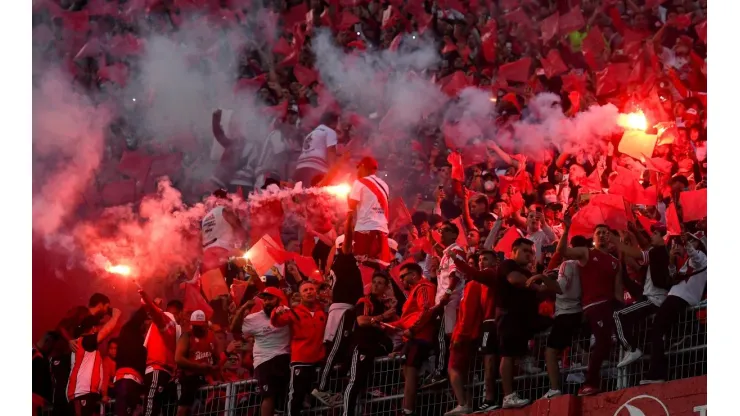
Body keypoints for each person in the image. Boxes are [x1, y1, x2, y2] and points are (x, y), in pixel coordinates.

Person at [558, 216, 623, 396]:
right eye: (599, 233)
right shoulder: (587, 253)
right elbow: (563, 251)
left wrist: (622, 310)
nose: (602, 235)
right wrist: (566, 230)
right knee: (603, 342)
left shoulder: (615, 262)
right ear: (593, 237)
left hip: (610, 306)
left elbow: (618, 292)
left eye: (606, 233)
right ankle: (588, 383)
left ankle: (616, 380)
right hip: (594, 305)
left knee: (611, 342)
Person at [493, 238, 554, 408]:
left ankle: (527, 357)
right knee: (508, 355)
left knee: (554, 324)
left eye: (531, 251)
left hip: (525, 320)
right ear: (513, 250)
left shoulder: (528, 272)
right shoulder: (508, 265)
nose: (529, 254)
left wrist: (547, 281)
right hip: (509, 318)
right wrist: (536, 284)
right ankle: (508, 396)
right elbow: (514, 280)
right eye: (525, 250)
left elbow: (542, 291)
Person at [642, 232, 707, 385]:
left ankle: (657, 372)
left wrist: (687, 245)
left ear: (699, 244)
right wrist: (671, 258)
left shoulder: (702, 257)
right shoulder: (685, 261)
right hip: (677, 297)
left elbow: (696, 257)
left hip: (679, 298)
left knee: (657, 329)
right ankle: (662, 371)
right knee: (666, 333)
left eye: (693, 241)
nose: (689, 243)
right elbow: (672, 277)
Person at [312, 234, 364, 407]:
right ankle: (322, 386)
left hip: (344, 309)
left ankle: (329, 386)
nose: (355, 248)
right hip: (343, 310)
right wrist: (350, 213)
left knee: (340, 349)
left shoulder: (342, 264)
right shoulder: (344, 258)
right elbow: (347, 243)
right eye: (352, 245)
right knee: (334, 349)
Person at [611, 224, 671, 368]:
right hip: (652, 298)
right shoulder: (659, 252)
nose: (652, 235)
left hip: (653, 299)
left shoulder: (659, 252)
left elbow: (635, 254)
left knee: (618, 315)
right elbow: (642, 247)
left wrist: (615, 240)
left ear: (662, 237)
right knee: (623, 315)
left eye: (655, 233)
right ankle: (633, 348)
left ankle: (631, 349)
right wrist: (632, 230)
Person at [542, 235, 590, 399]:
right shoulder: (584, 264)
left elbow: (560, 288)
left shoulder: (567, 264)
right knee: (580, 347)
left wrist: (542, 278)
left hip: (566, 313)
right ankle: (591, 381)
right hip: (580, 312)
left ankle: (555, 389)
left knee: (550, 352)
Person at [270, 281, 327, 416]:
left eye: (311, 289)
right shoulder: (294, 312)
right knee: (296, 396)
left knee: (320, 396)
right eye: (305, 290)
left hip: (320, 358)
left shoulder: (322, 312)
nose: (309, 292)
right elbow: (277, 322)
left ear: (316, 292)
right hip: (301, 359)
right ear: (301, 295)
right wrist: (276, 312)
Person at [232, 287, 291, 416]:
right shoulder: (254, 318)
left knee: (288, 394)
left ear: (279, 300)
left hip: (284, 359)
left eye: (270, 299)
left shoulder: (288, 313)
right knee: (268, 396)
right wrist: (243, 307)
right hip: (264, 361)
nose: (266, 302)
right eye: (264, 299)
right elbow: (234, 329)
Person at [343, 271, 396, 416]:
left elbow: (387, 326)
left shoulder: (383, 304)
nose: (376, 285)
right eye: (374, 282)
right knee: (354, 382)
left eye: (380, 283)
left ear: (386, 287)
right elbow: (362, 321)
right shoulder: (365, 300)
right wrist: (381, 317)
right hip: (361, 346)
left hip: (373, 348)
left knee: (365, 384)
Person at [387, 262, 437, 416]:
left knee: (409, 372)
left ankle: (407, 411)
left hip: (419, 337)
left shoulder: (423, 288)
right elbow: (406, 319)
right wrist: (382, 323)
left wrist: (413, 329)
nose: (401, 280)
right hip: (411, 338)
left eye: (403, 276)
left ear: (414, 275)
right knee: (406, 371)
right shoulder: (415, 291)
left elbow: (426, 310)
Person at [424, 221, 466, 389]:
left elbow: (455, 274)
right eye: (440, 230)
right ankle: (445, 371)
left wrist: (446, 296)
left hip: (449, 303)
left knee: (442, 337)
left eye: (445, 231)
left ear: (455, 235)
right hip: (446, 303)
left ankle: (441, 372)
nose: (441, 233)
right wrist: (431, 240)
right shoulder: (448, 253)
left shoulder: (456, 251)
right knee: (442, 337)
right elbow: (443, 253)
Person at [67, 306, 122, 416]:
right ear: (93, 328)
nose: (99, 330)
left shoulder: (85, 343)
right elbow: (105, 332)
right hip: (82, 392)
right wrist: (115, 316)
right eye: (98, 327)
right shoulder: (86, 340)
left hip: (85, 393)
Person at [346, 156, 391, 266]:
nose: (357, 171)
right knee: (380, 266)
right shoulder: (384, 185)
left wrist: (348, 196)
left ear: (363, 167)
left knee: (362, 266)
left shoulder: (359, 182)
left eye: (358, 167)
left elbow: (351, 205)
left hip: (365, 229)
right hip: (382, 230)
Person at [141, 293, 181, 416]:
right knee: (152, 406)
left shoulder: (172, 326)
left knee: (157, 406)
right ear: (179, 314)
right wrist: (147, 300)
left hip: (164, 372)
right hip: (158, 369)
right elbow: (156, 314)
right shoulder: (167, 320)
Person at [174, 310, 220, 416]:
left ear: (205, 324)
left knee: (203, 408)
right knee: (184, 407)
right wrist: (199, 367)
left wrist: (214, 368)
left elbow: (217, 359)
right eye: (195, 325)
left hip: (206, 378)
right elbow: (178, 359)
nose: (197, 328)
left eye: (199, 325)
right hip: (188, 377)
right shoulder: (187, 337)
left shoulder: (211, 337)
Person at [112, 306, 149, 416]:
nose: (147, 326)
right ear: (141, 321)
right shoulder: (130, 331)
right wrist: (149, 307)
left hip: (128, 380)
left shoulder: (135, 337)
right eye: (146, 322)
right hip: (128, 379)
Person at [294, 113, 339, 185]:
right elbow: (331, 152)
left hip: (300, 168)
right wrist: (333, 174)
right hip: (316, 169)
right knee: (317, 194)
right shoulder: (330, 132)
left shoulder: (311, 133)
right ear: (333, 122)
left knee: (302, 193)